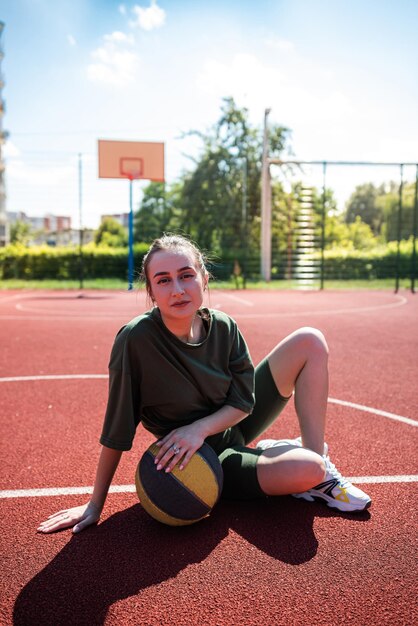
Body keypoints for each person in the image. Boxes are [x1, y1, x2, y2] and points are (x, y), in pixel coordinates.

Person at [38, 234, 371, 534]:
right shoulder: (135, 340)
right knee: (305, 469)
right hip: (207, 458)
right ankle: (302, 465)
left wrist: (199, 427)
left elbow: (244, 400)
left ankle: (319, 464)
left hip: (233, 422)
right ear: (151, 291)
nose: (178, 289)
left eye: (186, 275)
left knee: (310, 340)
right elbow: (117, 429)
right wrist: (95, 504)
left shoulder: (224, 326)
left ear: (204, 278)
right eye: (164, 280)